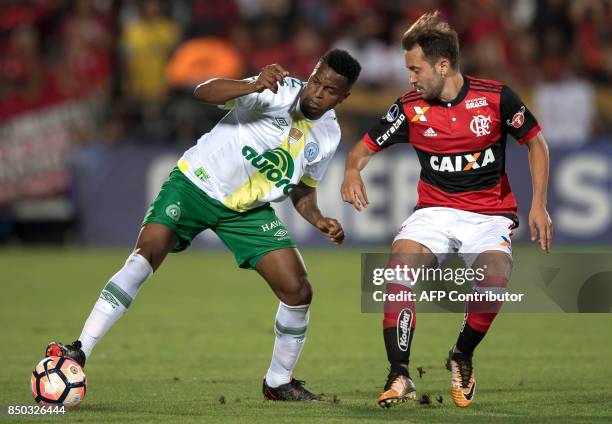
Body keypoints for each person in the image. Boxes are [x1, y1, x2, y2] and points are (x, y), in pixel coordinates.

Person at [46, 49, 361, 401]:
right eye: (316, 81)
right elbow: (203, 91)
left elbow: (302, 188)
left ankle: (278, 382)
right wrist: (252, 84)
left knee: (298, 290)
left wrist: (317, 219)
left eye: (330, 90)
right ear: (312, 73)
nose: (317, 93)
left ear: (343, 97)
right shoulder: (276, 88)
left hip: (246, 211)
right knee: (144, 256)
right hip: (196, 184)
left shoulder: (329, 134)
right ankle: (80, 350)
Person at [341, 12, 552, 408]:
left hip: (489, 215)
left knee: (494, 281)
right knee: (398, 269)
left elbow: (536, 143)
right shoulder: (408, 108)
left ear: (442, 65)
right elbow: (364, 147)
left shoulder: (495, 98)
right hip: (434, 211)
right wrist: (352, 171)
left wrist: (539, 203)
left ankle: (461, 355)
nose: (410, 78)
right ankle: (399, 374)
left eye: (415, 69)